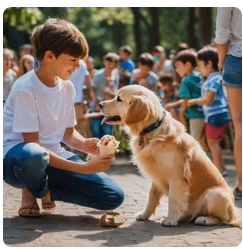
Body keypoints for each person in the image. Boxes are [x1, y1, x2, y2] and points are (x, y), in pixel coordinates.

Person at [3, 18, 124, 218]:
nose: (78, 66)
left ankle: (46, 190)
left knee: (113, 196)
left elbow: (68, 133)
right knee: (34, 156)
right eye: (73, 59)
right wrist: (82, 167)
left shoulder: (67, 87)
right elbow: (33, 144)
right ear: (50, 56)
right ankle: (31, 190)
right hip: (18, 161)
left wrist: (87, 145)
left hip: (52, 158)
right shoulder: (26, 88)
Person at [187, 46, 230, 177]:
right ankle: (220, 168)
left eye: (199, 65)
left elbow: (208, 100)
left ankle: (220, 170)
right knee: (211, 142)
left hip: (215, 115)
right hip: (218, 114)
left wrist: (193, 101)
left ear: (209, 63)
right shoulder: (216, 77)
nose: (198, 69)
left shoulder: (214, 79)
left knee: (213, 143)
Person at [215, 7, 242, 199]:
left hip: (237, 58)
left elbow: (222, 33)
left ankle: (242, 185)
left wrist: (221, 62)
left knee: (240, 124)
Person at [173, 49, 205, 142]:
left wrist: (181, 114)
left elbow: (185, 100)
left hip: (195, 116)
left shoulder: (185, 80)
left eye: (178, 65)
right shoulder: (200, 76)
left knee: (195, 142)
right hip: (205, 113)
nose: (176, 69)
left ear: (187, 65)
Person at [91, 52, 120, 139]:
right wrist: (95, 103)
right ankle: (95, 150)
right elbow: (92, 90)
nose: (111, 65)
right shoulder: (98, 75)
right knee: (95, 129)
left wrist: (108, 92)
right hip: (97, 106)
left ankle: (108, 150)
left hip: (109, 107)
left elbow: (116, 93)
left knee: (107, 131)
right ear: (105, 62)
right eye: (109, 62)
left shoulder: (115, 76)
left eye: (114, 63)